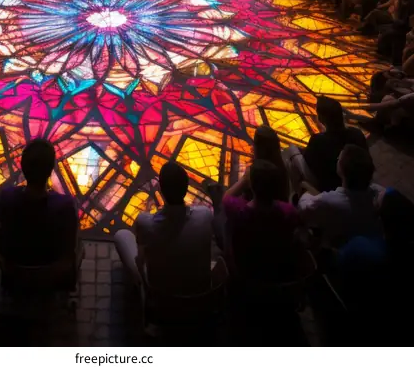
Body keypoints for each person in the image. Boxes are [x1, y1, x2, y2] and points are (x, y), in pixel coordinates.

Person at [114, 161, 221, 294]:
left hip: (160, 296)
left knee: (122, 235)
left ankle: (139, 288)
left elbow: (139, 261)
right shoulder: (204, 215)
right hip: (198, 292)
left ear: (160, 189)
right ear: (186, 188)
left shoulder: (146, 222)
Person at [0, 139, 79, 289]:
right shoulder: (65, 206)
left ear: (22, 166)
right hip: (52, 278)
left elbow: (0, 232)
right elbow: (68, 248)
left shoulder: (7, 197)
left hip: (15, 274)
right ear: (51, 169)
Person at [223, 160, 302, 282]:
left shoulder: (238, 209)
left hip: (245, 277)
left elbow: (226, 198)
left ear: (251, 185)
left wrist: (244, 180)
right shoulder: (288, 211)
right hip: (278, 275)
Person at [298, 144, 383, 246]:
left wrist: (305, 192)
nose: (337, 159)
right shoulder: (379, 193)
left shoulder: (328, 201)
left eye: (339, 159)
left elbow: (303, 208)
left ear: (343, 171)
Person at [285, 96, 367, 193]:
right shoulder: (357, 133)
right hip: (357, 180)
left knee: (291, 152)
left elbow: (308, 162)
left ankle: (299, 195)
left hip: (330, 185)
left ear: (321, 119)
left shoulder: (318, 141)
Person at [224, 125, 290, 202]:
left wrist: (245, 179)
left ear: (259, 149)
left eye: (254, 144)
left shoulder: (254, 173)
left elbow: (226, 199)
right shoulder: (282, 168)